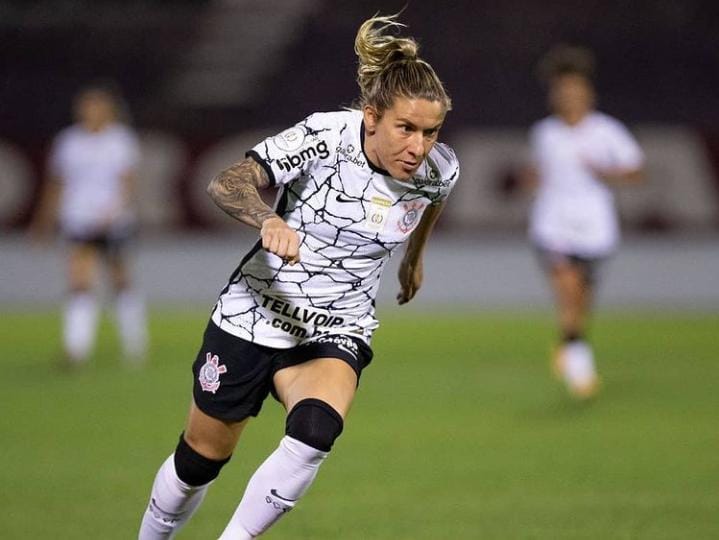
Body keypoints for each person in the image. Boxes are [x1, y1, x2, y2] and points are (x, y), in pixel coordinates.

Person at [138, 13, 458, 539]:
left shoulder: (439, 169)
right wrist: (267, 218)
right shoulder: (326, 136)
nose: (418, 146)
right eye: (406, 128)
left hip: (335, 327)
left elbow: (431, 203)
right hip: (254, 315)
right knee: (200, 461)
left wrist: (413, 258)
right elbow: (228, 182)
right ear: (373, 116)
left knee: (315, 433)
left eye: (430, 131)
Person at [526, 45, 644, 398]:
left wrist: (607, 173)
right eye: (563, 92)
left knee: (581, 300)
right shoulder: (545, 133)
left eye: (575, 91)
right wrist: (531, 182)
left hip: (594, 225)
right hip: (553, 223)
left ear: (587, 95)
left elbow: (636, 170)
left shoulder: (607, 131)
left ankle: (569, 345)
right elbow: (539, 172)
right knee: (567, 289)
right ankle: (581, 369)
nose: (569, 98)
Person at [30, 83, 148, 366]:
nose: (90, 112)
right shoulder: (68, 141)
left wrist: (115, 211)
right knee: (79, 281)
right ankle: (76, 348)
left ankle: (135, 344)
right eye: (86, 106)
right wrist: (44, 220)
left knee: (119, 280)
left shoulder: (120, 140)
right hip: (78, 219)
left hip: (113, 221)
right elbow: (56, 183)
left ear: (109, 110)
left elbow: (128, 182)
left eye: (96, 106)